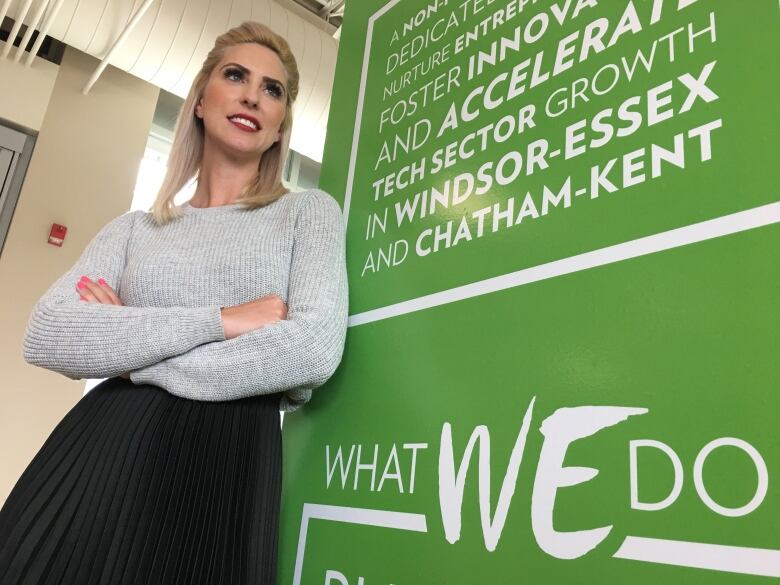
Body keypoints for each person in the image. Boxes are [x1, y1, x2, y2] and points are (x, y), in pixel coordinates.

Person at [0, 21, 347, 585]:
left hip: (225, 461)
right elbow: (46, 332)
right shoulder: (135, 229)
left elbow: (310, 350)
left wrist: (129, 348)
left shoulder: (306, 214)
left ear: (281, 124)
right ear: (202, 101)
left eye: (273, 89)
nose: (253, 95)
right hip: (101, 451)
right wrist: (223, 321)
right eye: (235, 75)